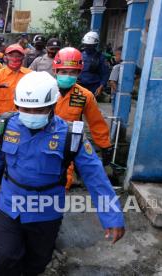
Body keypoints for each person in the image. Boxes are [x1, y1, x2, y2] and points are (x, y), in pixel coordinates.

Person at [0, 71, 125, 276]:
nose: (30, 114)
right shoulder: (6, 125)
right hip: (10, 203)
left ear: (52, 105)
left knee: (38, 262)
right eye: (24, 108)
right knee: (5, 258)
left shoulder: (70, 136)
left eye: (37, 109)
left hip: (46, 209)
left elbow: (95, 177)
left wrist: (112, 217)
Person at [53, 47, 113, 189]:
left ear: (79, 73)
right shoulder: (45, 89)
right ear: (56, 71)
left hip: (69, 143)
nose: (68, 75)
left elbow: (96, 122)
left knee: (64, 182)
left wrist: (105, 146)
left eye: (72, 72)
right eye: (63, 71)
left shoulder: (85, 95)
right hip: (43, 140)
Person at [0, 44, 32, 117]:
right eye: (11, 55)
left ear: (23, 57)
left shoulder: (30, 75)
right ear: (5, 57)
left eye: (18, 56)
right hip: (1, 118)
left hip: (23, 117)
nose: (14, 58)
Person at [78, 31, 110, 96]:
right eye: (86, 45)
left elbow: (105, 74)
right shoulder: (78, 55)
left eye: (90, 46)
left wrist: (101, 87)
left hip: (93, 88)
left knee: (90, 105)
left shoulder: (100, 57)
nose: (87, 47)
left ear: (95, 45)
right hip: (79, 86)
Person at [109, 46, 123, 112]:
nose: (115, 57)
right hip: (125, 94)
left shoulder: (116, 67)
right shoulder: (130, 67)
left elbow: (112, 82)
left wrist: (118, 92)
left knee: (115, 112)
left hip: (116, 94)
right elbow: (139, 73)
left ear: (121, 55)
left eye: (116, 55)